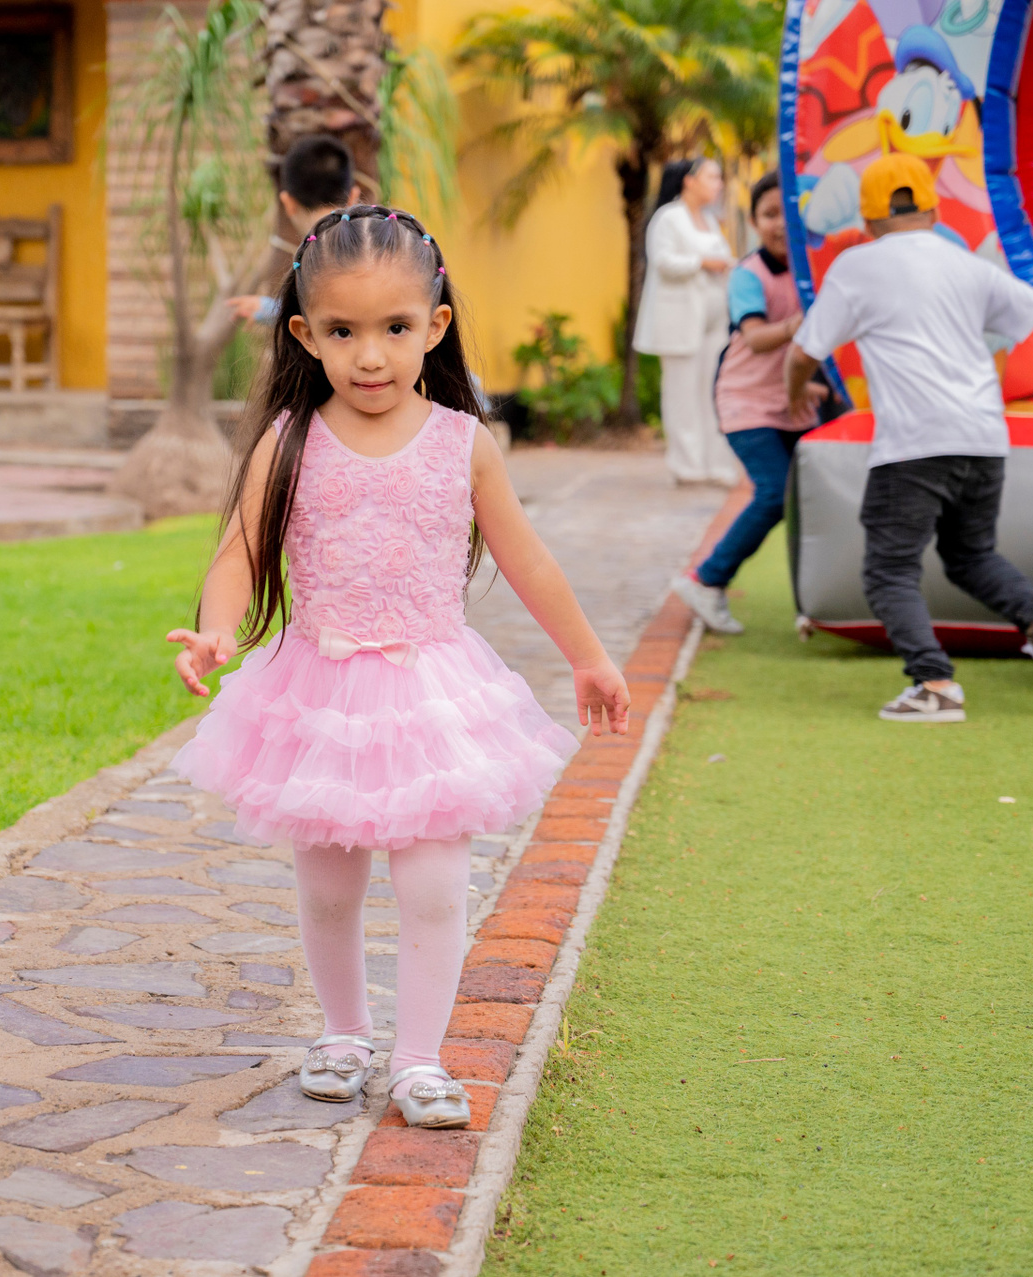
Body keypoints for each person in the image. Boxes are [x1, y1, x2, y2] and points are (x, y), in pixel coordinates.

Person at [167, 206, 630, 1128]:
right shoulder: (289, 440)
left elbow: (528, 560)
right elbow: (239, 554)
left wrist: (588, 656)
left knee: (433, 886)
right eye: (342, 332)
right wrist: (218, 631)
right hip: (319, 695)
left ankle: (420, 1058)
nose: (370, 355)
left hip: (430, 692)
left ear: (436, 325)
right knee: (328, 886)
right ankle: (344, 1033)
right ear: (305, 334)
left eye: (394, 328)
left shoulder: (463, 442)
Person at [785, 154, 1033, 722]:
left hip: (914, 443)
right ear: (935, 211)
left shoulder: (857, 265)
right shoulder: (966, 266)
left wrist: (796, 394)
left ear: (867, 220)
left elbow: (803, 354)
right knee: (969, 555)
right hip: (984, 438)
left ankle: (934, 683)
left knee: (888, 571)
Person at [673, 171, 827, 634]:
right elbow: (757, 338)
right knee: (775, 492)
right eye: (768, 214)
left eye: (788, 212)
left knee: (813, 500)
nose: (780, 223)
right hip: (745, 401)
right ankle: (705, 579)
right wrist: (800, 323)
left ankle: (815, 602)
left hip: (795, 398)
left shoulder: (815, 269)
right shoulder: (748, 274)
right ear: (755, 222)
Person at [633, 158, 744, 486]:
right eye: (712, 177)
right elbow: (663, 261)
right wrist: (703, 262)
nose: (718, 184)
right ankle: (687, 467)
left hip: (713, 321)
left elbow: (722, 260)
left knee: (711, 392)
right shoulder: (668, 218)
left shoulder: (709, 220)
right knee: (682, 395)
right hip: (680, 322)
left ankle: (716, 465)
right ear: (689, 181)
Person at [226, 135, 366, 326]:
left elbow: (331, 318)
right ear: (354, 196)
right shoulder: (374, 242)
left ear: (288, 203)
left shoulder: (316, 255)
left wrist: (275, 311)